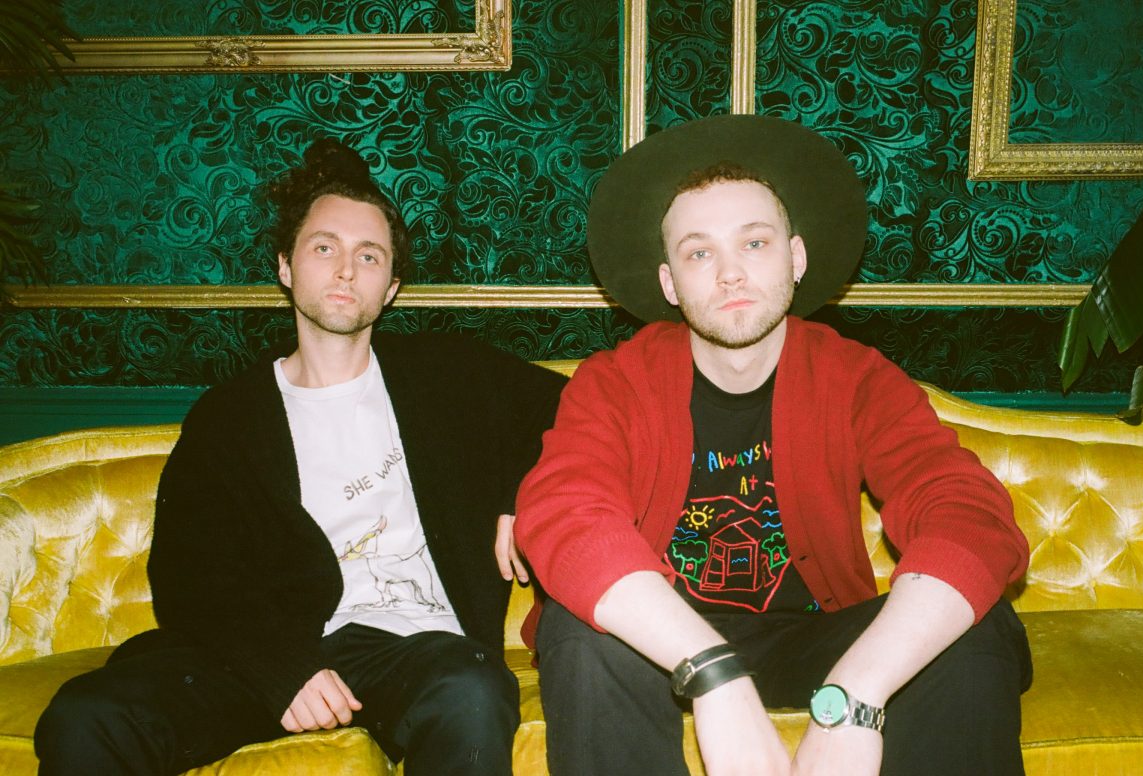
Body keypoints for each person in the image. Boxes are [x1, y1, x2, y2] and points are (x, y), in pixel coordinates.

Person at [513, 115, 1032, 776]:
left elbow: (967, 512)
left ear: (796, 257)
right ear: (670, 283)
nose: (730, 274)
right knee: (577, 628)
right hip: (663, 642)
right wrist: (714, 674)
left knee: (980, 626)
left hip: (814, 640)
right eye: (700, 253)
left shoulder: (855, 377)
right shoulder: (615, 382)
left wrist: (857, 693)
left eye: (754, 243)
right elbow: (565, 514)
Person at [34, 139, 565, 776]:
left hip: (418, 652)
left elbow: (574, 405)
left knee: (473, 689)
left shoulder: (448, 375)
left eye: (368, 256)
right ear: (286, 267)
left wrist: (523, 491)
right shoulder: (229, 418)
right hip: (270, 652)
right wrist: (283, 669)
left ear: (391, 287)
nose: (346, 271)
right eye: (325, 248)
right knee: (85, 716)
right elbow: (188, 575)